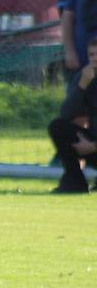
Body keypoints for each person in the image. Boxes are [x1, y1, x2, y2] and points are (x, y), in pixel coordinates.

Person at [48, 37, 97, 193]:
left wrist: (92, 146)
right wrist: (82, 85)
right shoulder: (86, 77)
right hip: (90, 144)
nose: (95, 59)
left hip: (93, 146)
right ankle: (75, 182)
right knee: (58, 127)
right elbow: (66, 114)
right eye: (92, 55)